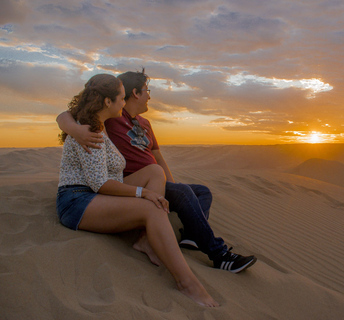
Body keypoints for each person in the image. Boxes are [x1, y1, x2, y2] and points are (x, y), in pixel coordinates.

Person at [56, 69, 257, 274]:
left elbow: (158, 157)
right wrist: (74, 129)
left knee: (201, 191)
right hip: (131, 181)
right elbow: (67, 115)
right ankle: (220, 255)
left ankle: (190, 235)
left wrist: (171, 184)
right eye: (147, 90)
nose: (150, 96)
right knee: (183, 194)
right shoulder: (115, 115)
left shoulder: (145, 124)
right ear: (135, 93)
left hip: (154, 179)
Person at [56, 74, 219, 307]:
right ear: (107, 102)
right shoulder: (91, 132)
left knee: (154, 171)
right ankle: (188, 284)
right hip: (77, 201)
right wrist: (143, 194)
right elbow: (99, 184)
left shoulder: (100, 126)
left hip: (97, 194)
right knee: (151, 208)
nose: (123, 104)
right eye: (121, 99)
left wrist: (150, 191)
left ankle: (147, 239)